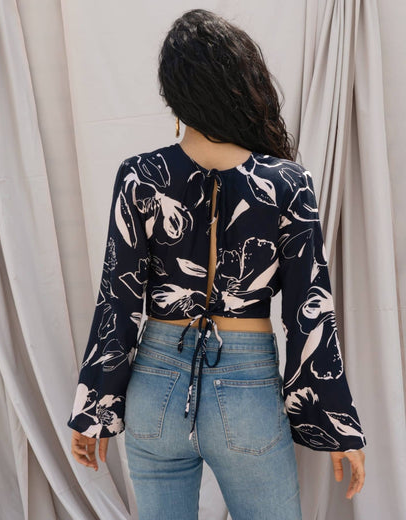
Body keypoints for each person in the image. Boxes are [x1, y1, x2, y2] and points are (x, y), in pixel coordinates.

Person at [68, 8, 366, 519]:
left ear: (174, 93)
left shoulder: (140, 176)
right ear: (243, 84)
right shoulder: (287, 183)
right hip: (246, 389)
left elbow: (118, 297)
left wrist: (94, 408)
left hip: (154, 388)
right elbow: (309, 310)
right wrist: (338, 424)